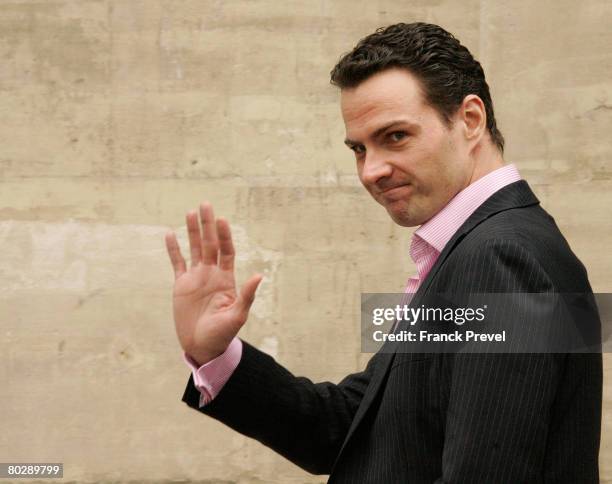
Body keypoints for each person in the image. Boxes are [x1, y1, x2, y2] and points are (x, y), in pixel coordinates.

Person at [164, 22, 602, 483]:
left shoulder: (501, 258)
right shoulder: (476, 249)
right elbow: (355, 428)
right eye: (358, 148)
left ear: (470, 120)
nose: (372, 170)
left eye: (395, 136)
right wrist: (216, 353)